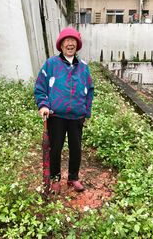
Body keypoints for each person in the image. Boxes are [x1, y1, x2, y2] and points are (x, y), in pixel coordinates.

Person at [34, 27, 94, 194]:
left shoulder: (83, 67)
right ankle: (54, 178)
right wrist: (44, 105)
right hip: (56, 116)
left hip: (76, 116)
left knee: (76, 148)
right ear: (61, 45)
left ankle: (73, 177)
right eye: (66, 41)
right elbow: (40, 87)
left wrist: (86, 111)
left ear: (77, 45)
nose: (70, 44)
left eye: (73, 41)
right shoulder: (51, 64)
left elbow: (90, 89)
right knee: (55, 148)